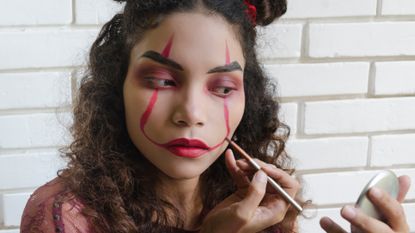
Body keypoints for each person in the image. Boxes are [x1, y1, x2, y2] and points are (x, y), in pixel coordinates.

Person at [20, 0, 411, 233]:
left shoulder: (249, 205)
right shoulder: (65, 216)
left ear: (248, 97)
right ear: (115, 86)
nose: (191, 113)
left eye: (222, 89)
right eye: (160, 80)